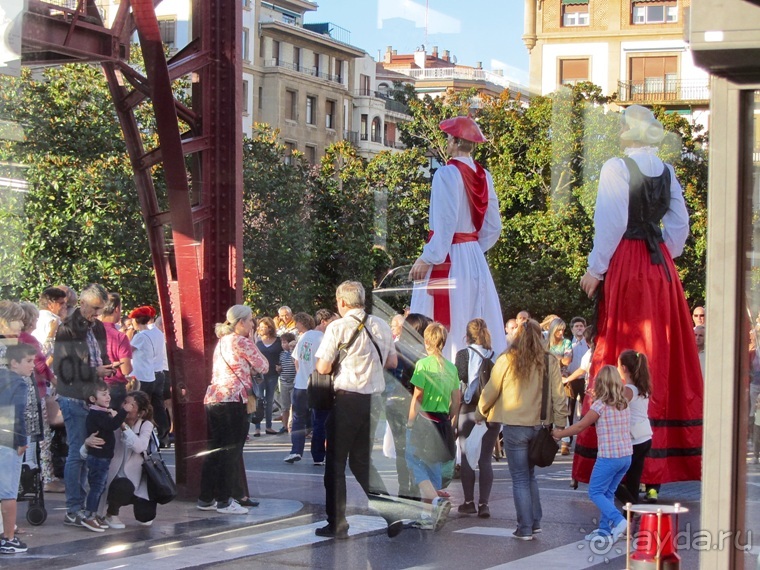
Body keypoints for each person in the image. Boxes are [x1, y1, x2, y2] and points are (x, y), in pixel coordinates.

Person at [575, 105, 702, 486]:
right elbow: (679, 225)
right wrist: (665, 255)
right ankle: (655, 467)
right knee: (660, 354)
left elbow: (611, 220)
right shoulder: (667, 171)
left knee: (623, 345)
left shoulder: (616, 167)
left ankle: (620, 465)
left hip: (628, 263)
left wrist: (596, 268)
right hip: (658, 265)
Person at [409, 116, 507, 361]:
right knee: (478, 315)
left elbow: (444, 224)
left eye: (448, 138)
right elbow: (494, 226)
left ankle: (444, 378)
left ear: (453, 141)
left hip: (449, 257)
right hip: (473, 256)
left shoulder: (446, 174)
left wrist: (428, 256)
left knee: (440, 321)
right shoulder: (485, 176)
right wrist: (473, 246)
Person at [314, 281, 402, 539]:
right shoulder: (382, 325)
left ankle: (337, 523)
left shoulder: (337, 327)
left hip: (347, 400)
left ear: (341, 302)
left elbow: (323, 368)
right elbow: (393, 361)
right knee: (362, 463)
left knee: (336, 464)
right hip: (373, 401)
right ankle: (391, 513)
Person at [477, 319, 567, 541]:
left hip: (514, 425)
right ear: (541, 336)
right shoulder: (549, 361)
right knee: (530, 476)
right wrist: (561, 424)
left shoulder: (507, 359)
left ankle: (524, 527)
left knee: (519, 478)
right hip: (540, 426)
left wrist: (481, 412)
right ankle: (535, 523)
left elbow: (491, 390)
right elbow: (559, 395)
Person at [54, 284, 116, 529]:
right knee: (77, 452)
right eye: (95, 309)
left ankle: (81, 507)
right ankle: (73, 508)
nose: (98, 314)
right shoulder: (68, 328)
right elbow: (65, 369)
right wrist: (95, 371)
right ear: (83, 303)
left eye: (100, 309)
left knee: (85, 453)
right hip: (73, 396)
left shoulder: (97, 326)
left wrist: (108, 368)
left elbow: (101, 355)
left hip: (91, 396)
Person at [197, 305, 268, 514]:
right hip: (233, 399)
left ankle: (206, 497)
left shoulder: (222, 341)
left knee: (216, 448)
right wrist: (253, 342)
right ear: (240, 323)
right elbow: (263, 365)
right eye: (250, 320)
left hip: (214, 397)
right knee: (232, 450)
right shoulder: (242, 341)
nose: (253, 324)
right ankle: (224, 500)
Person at [554, 366, 632, 545]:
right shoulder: (624, 402)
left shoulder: (600, 405)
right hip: (626, 455)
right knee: (608, 492)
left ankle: (619, 521)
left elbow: (580, 426)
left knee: (595, 492)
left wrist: (559, 434)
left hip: (608, 456)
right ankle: (604, 531)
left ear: (601, 383)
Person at [405, 322, 459, 529]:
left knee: (415, 461)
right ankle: (429, 516)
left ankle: (435, 503)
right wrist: (449, 418)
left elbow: (418, 396)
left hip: (424, 419)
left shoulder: (423, 364)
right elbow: (457, 400)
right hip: (442, 420)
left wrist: (410, 423)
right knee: (434, 467)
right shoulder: (451, 368)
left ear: (427, 341)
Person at [93, 391, 159, 528]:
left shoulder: (145, 425)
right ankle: (112, 514)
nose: (126, 406)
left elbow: (140, 447)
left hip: (138, 479)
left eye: (131, 405)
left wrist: (124, 427)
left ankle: (137, 502)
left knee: (146, 517)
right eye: (125, 402)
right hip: (116, 478)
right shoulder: (113, 420)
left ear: (140, 412)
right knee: (123, 485)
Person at [455, 318, 499, 518]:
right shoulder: (495, 356)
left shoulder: (463, 355)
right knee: (485, 459)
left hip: (469, 408)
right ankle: (485, 504)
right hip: (491, 411)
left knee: (467, 457)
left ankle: (468, 502)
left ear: (467, 335)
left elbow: (461, 377)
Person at [387, 313, 430, 499]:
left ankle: (404, 488)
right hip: (418, 403)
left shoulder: (396, 347)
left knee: (401, 448)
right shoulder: (426, 353)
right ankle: (415, 485)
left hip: (394, 400)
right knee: (418, 449)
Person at [0, 343, 34, 554]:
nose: (32, 366)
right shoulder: (19, 384)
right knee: (8, 492)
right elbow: (17, 413)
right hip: (9, 440)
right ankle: (8, 538)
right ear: (14, 363)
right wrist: (21, 440)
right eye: (28, 361)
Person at [81, 380, 128, 532]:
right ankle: (89, 516)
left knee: (98, 487)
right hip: (98, 458)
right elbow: (112, 425)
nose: (108, 397)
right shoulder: (97, 414)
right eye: (103, 394)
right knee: (96, 487)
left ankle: (92, 515)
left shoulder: (101, 413)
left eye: (108, 393)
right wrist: (123, 412)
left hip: (102, 457)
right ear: (93, 399)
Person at [614, 350, 653, 505]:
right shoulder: (642, 387)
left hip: (633, 439)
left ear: (623, 368)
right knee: (633, 480)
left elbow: (616, 408)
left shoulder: (628, 389)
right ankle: (630, 513)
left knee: (611, 480)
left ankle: (633, 507)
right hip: (644, 436)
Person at [285, 313, 322, 464]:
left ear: (301, 323)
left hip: (300, 384)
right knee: (318, 420)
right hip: (318, 383)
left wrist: (301, 374)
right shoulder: (321, 337)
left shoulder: (302, 339)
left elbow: (296, 362)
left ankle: (296, 450)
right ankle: (318, 456)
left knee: (298, 419)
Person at [99, 293, 133, 410]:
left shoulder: (90, 332)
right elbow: (126, 369)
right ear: (117, 309)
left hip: (94, 385)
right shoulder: (120, 337)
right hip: (114, 387)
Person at [254, 317, 283, 436]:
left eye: (263, 327)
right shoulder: (258, 341)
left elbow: (284, 354)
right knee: (259, 399)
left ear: (270, 327)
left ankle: (269, 426)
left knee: (269, 400)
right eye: (259, 327)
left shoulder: (278, 341)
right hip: (260, 374)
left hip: (272, 373)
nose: (261, 329)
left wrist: (280, 365)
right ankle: (257, 427)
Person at [276, 332, 296, 434]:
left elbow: (296, 363)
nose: (283, 345)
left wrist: (293, 350)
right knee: (285, 406)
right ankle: (284, 425)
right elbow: (280, 366)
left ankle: (292, 425)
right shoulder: (281, 354)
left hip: (293, 382)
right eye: (282, 343)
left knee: (294, 405)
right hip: (284, 381)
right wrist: (278, 369)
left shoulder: (295, 353)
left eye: (285, 342)